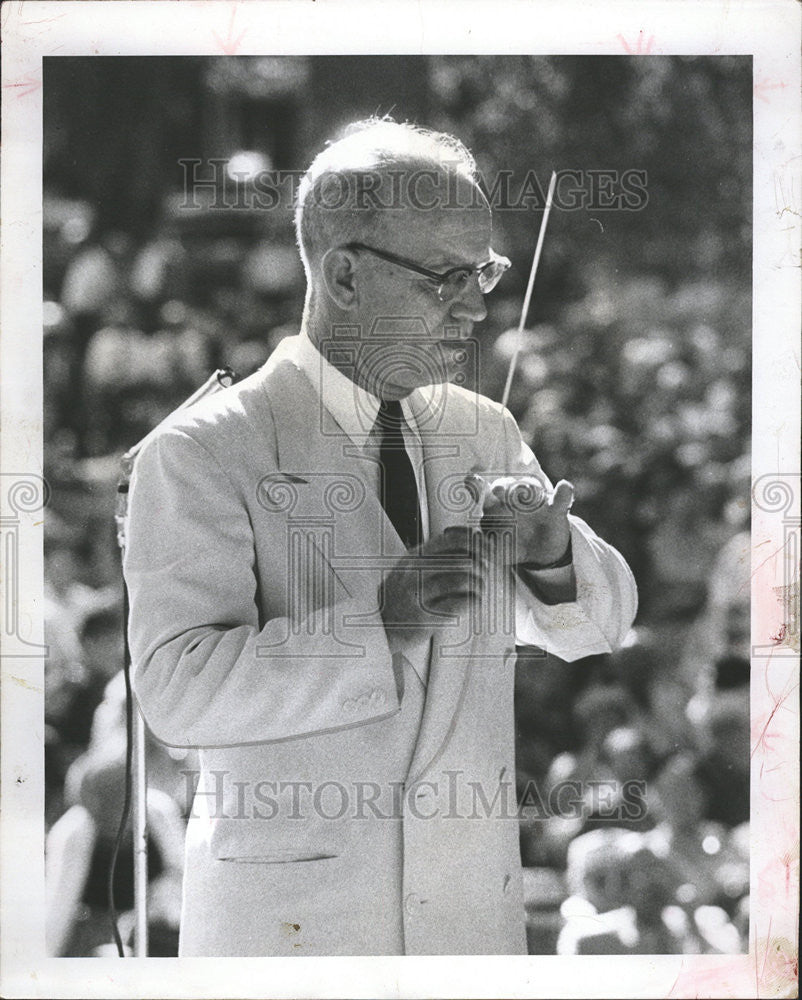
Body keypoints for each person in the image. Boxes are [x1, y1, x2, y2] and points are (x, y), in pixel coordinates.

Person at [124, 118, 637, 956]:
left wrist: (551, 554)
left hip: (471, 927)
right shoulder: (202, 450)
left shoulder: (486, 429)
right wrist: (381, 622)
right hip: (291, 934)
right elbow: (177, 690)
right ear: (345, 277)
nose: (477, 306)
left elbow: (601, 628)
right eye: (447, 277)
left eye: (487, 271)